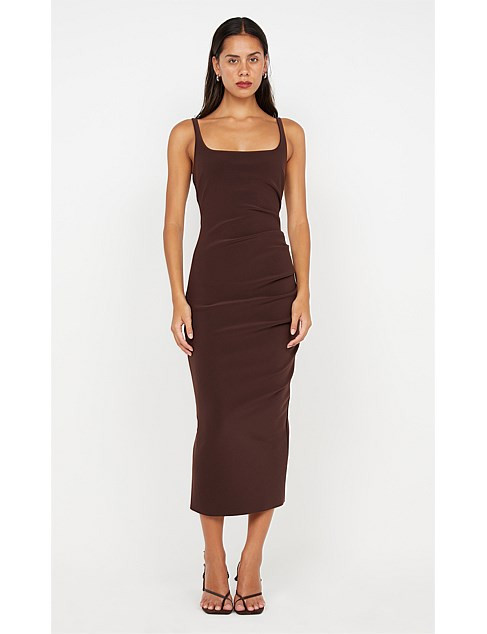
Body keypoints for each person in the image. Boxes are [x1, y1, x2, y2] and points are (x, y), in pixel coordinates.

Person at [163, 16, 312, 615]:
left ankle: (250, 559)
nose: (244, 69)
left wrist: (304, 293)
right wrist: (178, 298)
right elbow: (174, 222)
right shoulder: (188, 134)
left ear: (266, 64)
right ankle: (214, 557)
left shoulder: (289, 133)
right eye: (233, 59)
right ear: (216, 66)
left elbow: (298, 219)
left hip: (273, 294)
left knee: (267, 428)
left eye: (254, 58)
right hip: (213, 294)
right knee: (217, 425)